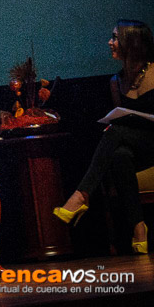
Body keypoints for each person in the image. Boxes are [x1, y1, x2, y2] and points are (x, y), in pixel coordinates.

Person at [54, 19, 154, 254]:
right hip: (136, 146)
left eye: (115, 38)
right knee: (119, 155)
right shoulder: (116, 81)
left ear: (132, 42)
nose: (110, 42)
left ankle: (81, 195)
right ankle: (139, 228)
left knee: (116, 132)